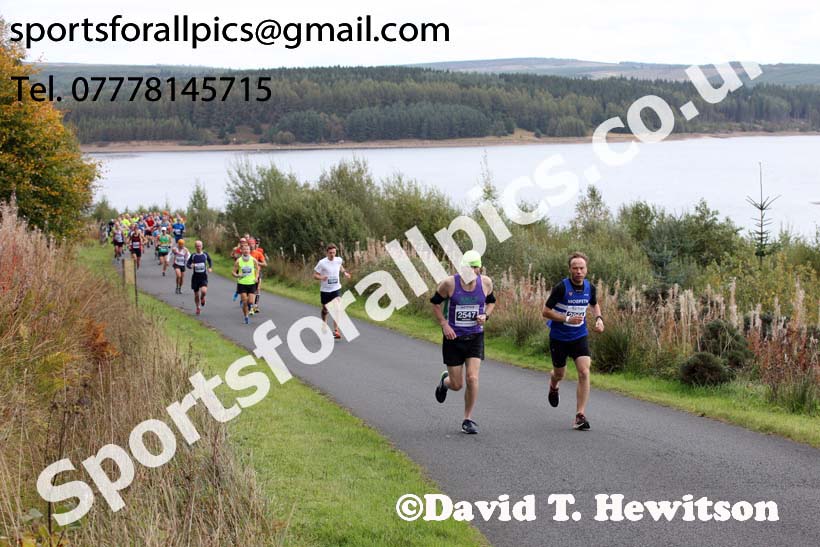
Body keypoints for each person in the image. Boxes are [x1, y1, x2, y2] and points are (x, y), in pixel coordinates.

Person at [432, 250, 495, 435]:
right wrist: (444, 324)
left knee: (472, 378)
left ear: (479, 268)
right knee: (457, 385)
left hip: (475, 336)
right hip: (453, 339)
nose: (471, 271)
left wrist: (486, 315)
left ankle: (467, 419)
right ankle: (445, 382)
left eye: (475, 267)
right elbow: (435, 303)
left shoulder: (485, 283)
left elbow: (491, 302)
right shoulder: (449, 284)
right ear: (461, 268)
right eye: (468, 267)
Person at [541, 251, 605, 431]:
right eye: (575, 268)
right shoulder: (561, 287)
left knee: (584, 371)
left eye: (581, 268)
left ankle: (580, 415)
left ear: (586, 269)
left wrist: (599, 318)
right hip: (559, 337)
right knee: (559, 373)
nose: (578, 271)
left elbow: (593, 303)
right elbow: (545, 312)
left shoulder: (590, 287)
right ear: (570, 269)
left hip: (579, 335)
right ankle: (553, 385)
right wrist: (566, 319)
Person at [312, 243, 351, 339]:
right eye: (330, 253)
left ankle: (336, 331)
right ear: (326, 253)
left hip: (336, 288)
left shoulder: (338, 260)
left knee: (337, 309)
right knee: (325, 310)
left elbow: (340, 267)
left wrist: (345, 273)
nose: (332, 255)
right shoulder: (322, 263)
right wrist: (321, 277)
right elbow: (315, 275)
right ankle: (324, 323)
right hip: (325, 290)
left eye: (334, 252)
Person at [232, 243, 260, 324]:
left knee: (250, 302)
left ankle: (249, 307)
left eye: (247, 249)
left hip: (251, 283)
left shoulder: (253, 260)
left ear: (249, 251)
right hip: (242, 283)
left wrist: (256, 277)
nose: (246, 251)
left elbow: (257, 269)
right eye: (244, 249)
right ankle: (246, 317)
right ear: (241, 250)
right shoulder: (238, 261)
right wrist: (237, 275)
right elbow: (233, 272)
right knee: (244, 301)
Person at [187, 240, 213, 315]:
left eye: (200, 246)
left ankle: (202, 298)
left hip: (203, 276)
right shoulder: (193, 255)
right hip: (195, 277)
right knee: (196, 294)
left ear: (202, 246)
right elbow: (188, 264)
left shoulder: (205, 254)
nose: (198, 247)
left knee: (204, 291)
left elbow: (210, 260)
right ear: (195, 247)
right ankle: (198, 307)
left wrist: (210, 267)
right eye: (197, 246)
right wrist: (190, 266)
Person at [249, 238, 268, 315]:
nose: (255, 244)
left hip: (257, 272)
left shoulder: (259, 252)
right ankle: (251, 306)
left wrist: (257, 263)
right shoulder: (246, 253)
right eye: (251, 243)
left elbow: (265, 264)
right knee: (250, 292)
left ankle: (255, 306)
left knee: (257, 289)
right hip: (248, 275)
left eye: (256, 243)